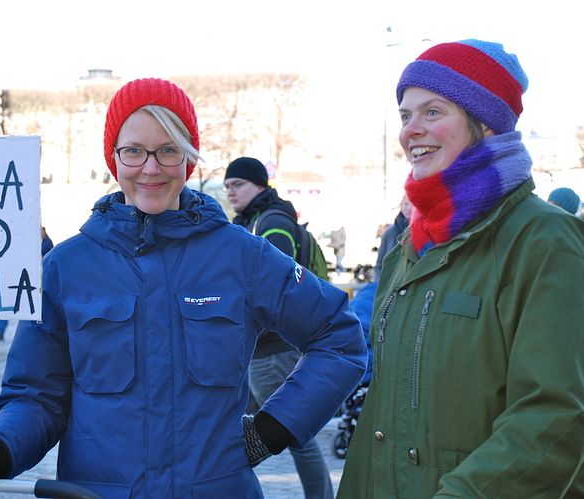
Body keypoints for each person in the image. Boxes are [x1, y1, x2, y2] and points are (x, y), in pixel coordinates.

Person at [0, 78, 367, 498]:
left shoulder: (243, 256)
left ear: (189, 159)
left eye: (168, 150)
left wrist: (272, 428)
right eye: (134, 151)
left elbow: (339, 336)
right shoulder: (66, 267)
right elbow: (36, 397)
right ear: (114, 157)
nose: (150, 167)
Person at [337, 40, 584, 498]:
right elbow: (382, 419)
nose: (412, 129)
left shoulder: (545, 239)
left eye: (433, 112)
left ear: (486, 123)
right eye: (406, 115)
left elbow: (556, 416)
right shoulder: (411, 247)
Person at [223, 156, 335, 499]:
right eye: (227, 186)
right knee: (235, 431)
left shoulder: (270, 221)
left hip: (273, 348)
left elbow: (275, 280)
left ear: (260, 185)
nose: (231, 192)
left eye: (237, 184)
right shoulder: (252, 219)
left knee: (294, 433)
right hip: (261, 348)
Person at [0, 226, 54, 341]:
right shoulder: (30, 242)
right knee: (7, 307)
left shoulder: (47, 244)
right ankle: (0, 332)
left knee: (31, 311)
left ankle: (30, 336)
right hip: (21, 279)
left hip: (34, 282)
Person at [373, 194, 413, 280]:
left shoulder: (423, 231)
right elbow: (379, 266)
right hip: (390, 287)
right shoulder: (389, 233)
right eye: (406, 204)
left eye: (412, 203)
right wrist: (381, 288)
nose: (409, 208)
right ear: (401, 206)